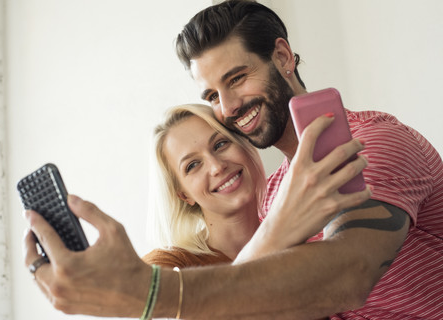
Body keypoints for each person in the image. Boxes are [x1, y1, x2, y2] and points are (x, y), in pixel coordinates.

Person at [23, 0, 443, 319]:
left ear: (282, 57)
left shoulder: (374, 144)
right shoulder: (276, 192)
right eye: (211, 95)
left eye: (237, 79)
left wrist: (145, 293)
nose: (227, 106)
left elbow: (348, 276)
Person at [142, 104, 364, 269]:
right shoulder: (170, 265)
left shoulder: (305, 241)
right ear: (183, 195)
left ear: (244, 145)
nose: (217, 167)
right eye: (192, 165)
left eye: (220, 144)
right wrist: (275, 236)